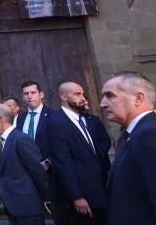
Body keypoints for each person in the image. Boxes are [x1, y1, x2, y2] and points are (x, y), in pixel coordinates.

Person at [49, 81, 110, 225]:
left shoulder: (87, 119)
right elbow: (63, 162)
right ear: (64, 97)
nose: (83, 97)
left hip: (101, 189)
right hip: (82, 197)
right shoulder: (56, 122)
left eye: (82, 93)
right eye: (77, 94)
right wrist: (77, 196)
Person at [100, 71, 156, 223]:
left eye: (110, 95)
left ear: (138, 98)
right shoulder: (133, 133)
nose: (103, 104)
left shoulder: (149, 133)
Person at [0, 104, 50, 225]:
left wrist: (46, 198)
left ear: (1, 118)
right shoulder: (2, 139)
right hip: (13, 205)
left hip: (27, 205)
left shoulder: (20, 139)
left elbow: (37, 170)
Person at [15, 81, 57, 171]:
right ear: (23, 97)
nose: (29, 96)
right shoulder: (20, 118)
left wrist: (48, 162)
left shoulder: (53, 115)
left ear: (41, 95)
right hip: (26, 171)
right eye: (26, 93)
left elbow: (61, 144)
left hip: (49, 171)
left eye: (33, 92)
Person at [0, 97, 21, 175]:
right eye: (4, 107)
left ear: (17, 108)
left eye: (9, 106)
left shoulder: (23, 121)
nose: (6, 109)